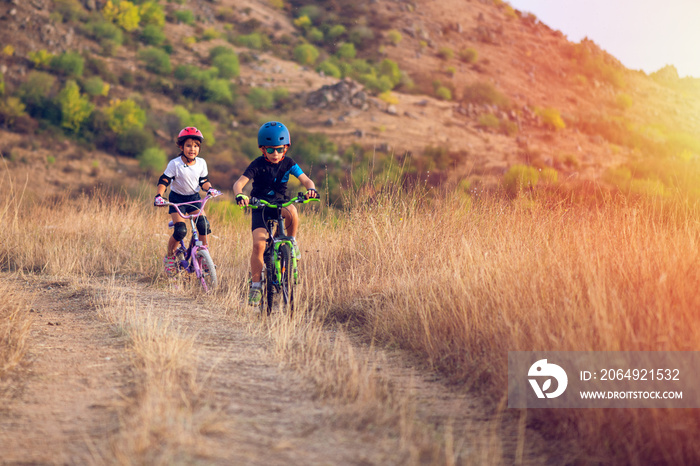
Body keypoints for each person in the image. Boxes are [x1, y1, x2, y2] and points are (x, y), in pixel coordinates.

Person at [232, 121, 319, 305]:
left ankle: (292, 242)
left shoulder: (289, 163)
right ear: (263, 149)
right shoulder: (257, 164)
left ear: (285, 148)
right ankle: (256, 285)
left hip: (280, 203)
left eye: (279, 149)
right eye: (270, 150)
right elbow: (239, 183)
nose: (275, 154)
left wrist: (311, 189)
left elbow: (306, 180)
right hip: (260, 206)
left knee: (293, 211)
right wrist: (240, 194)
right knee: (258, 245)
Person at [154, 126, 221, 275]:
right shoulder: (175, 164)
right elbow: (164, 180)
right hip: (177, 200)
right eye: (189, 145)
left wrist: (209, 189)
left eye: (196, 146)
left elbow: (204, 181)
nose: (193, 149)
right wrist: (159, 195)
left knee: (203, 225)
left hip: (194, 199)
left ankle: (204, 257)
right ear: (181, 146)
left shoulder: (202, 163)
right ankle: (170, 258)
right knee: (180, 231)